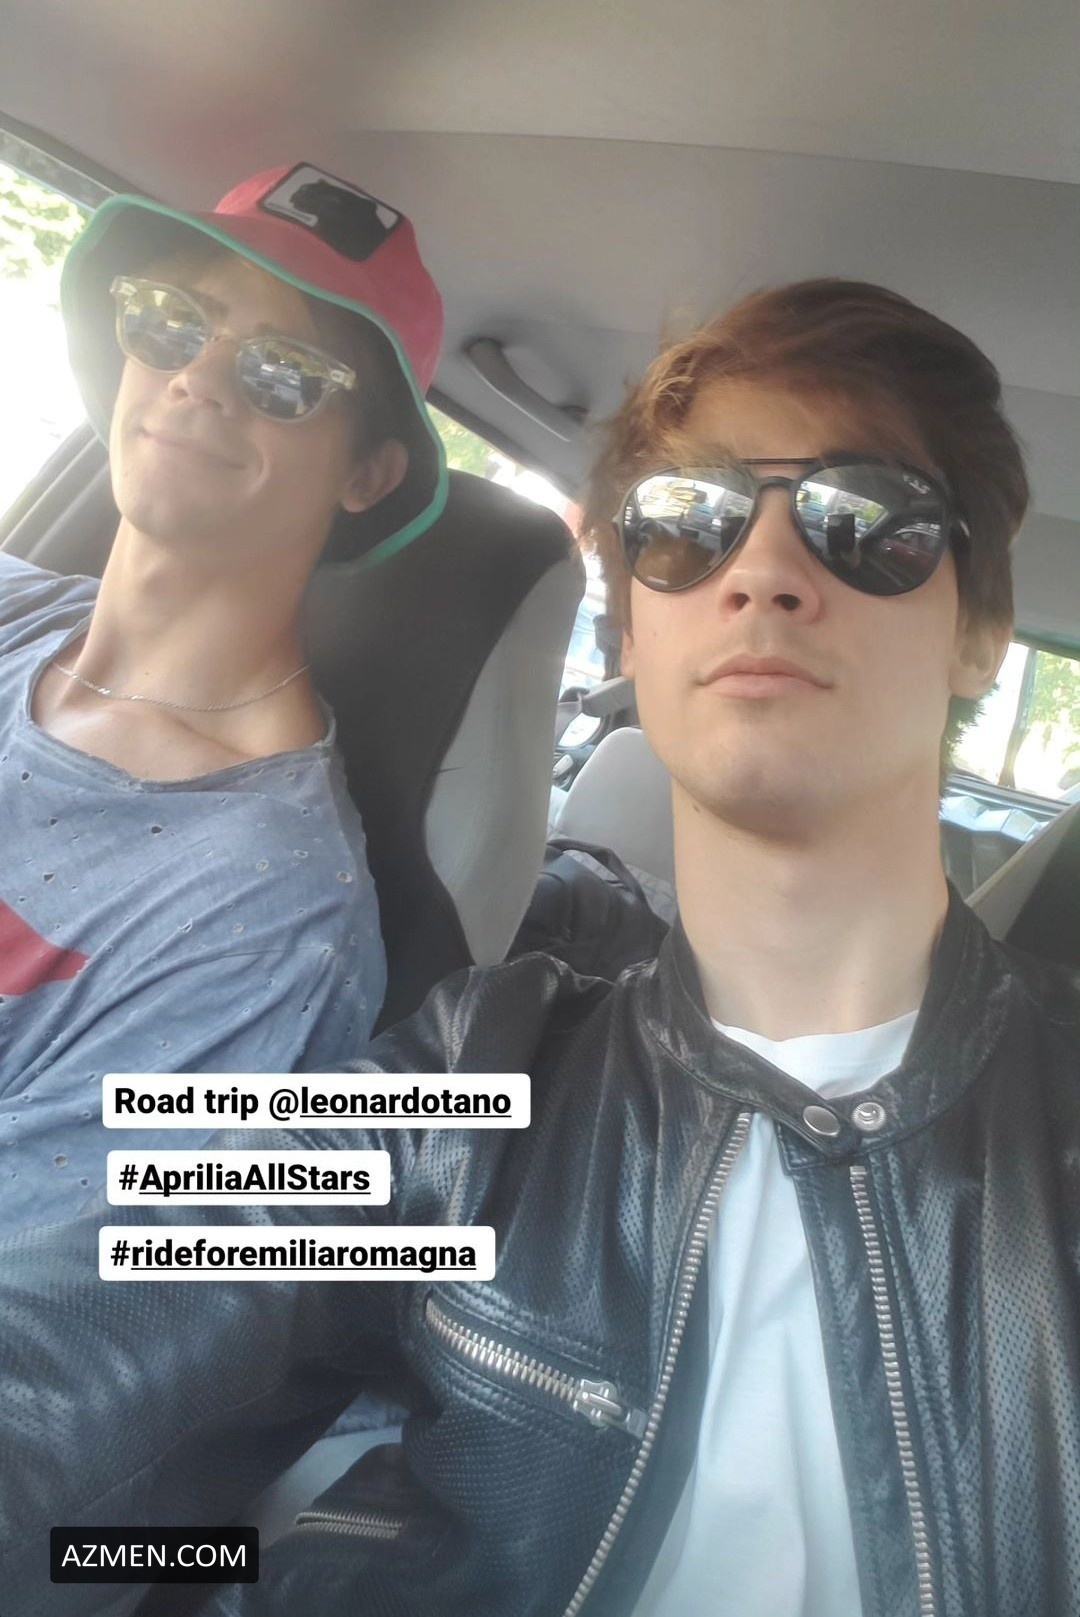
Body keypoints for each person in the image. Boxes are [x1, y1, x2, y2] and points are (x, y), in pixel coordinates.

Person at [2, 279, 1079, 1617]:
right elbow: (131, 1288)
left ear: (978, 632)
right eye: (687, 521)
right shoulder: (477, 1092)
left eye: (868, 519)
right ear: (631, 626)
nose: (762, 571)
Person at [0, 162, 447, 1233]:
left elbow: (54, 1297)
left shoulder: (277, 920)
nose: (197, 378)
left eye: (284, 371)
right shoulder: (15, 611)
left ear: (368, 475)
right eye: (172, 320)